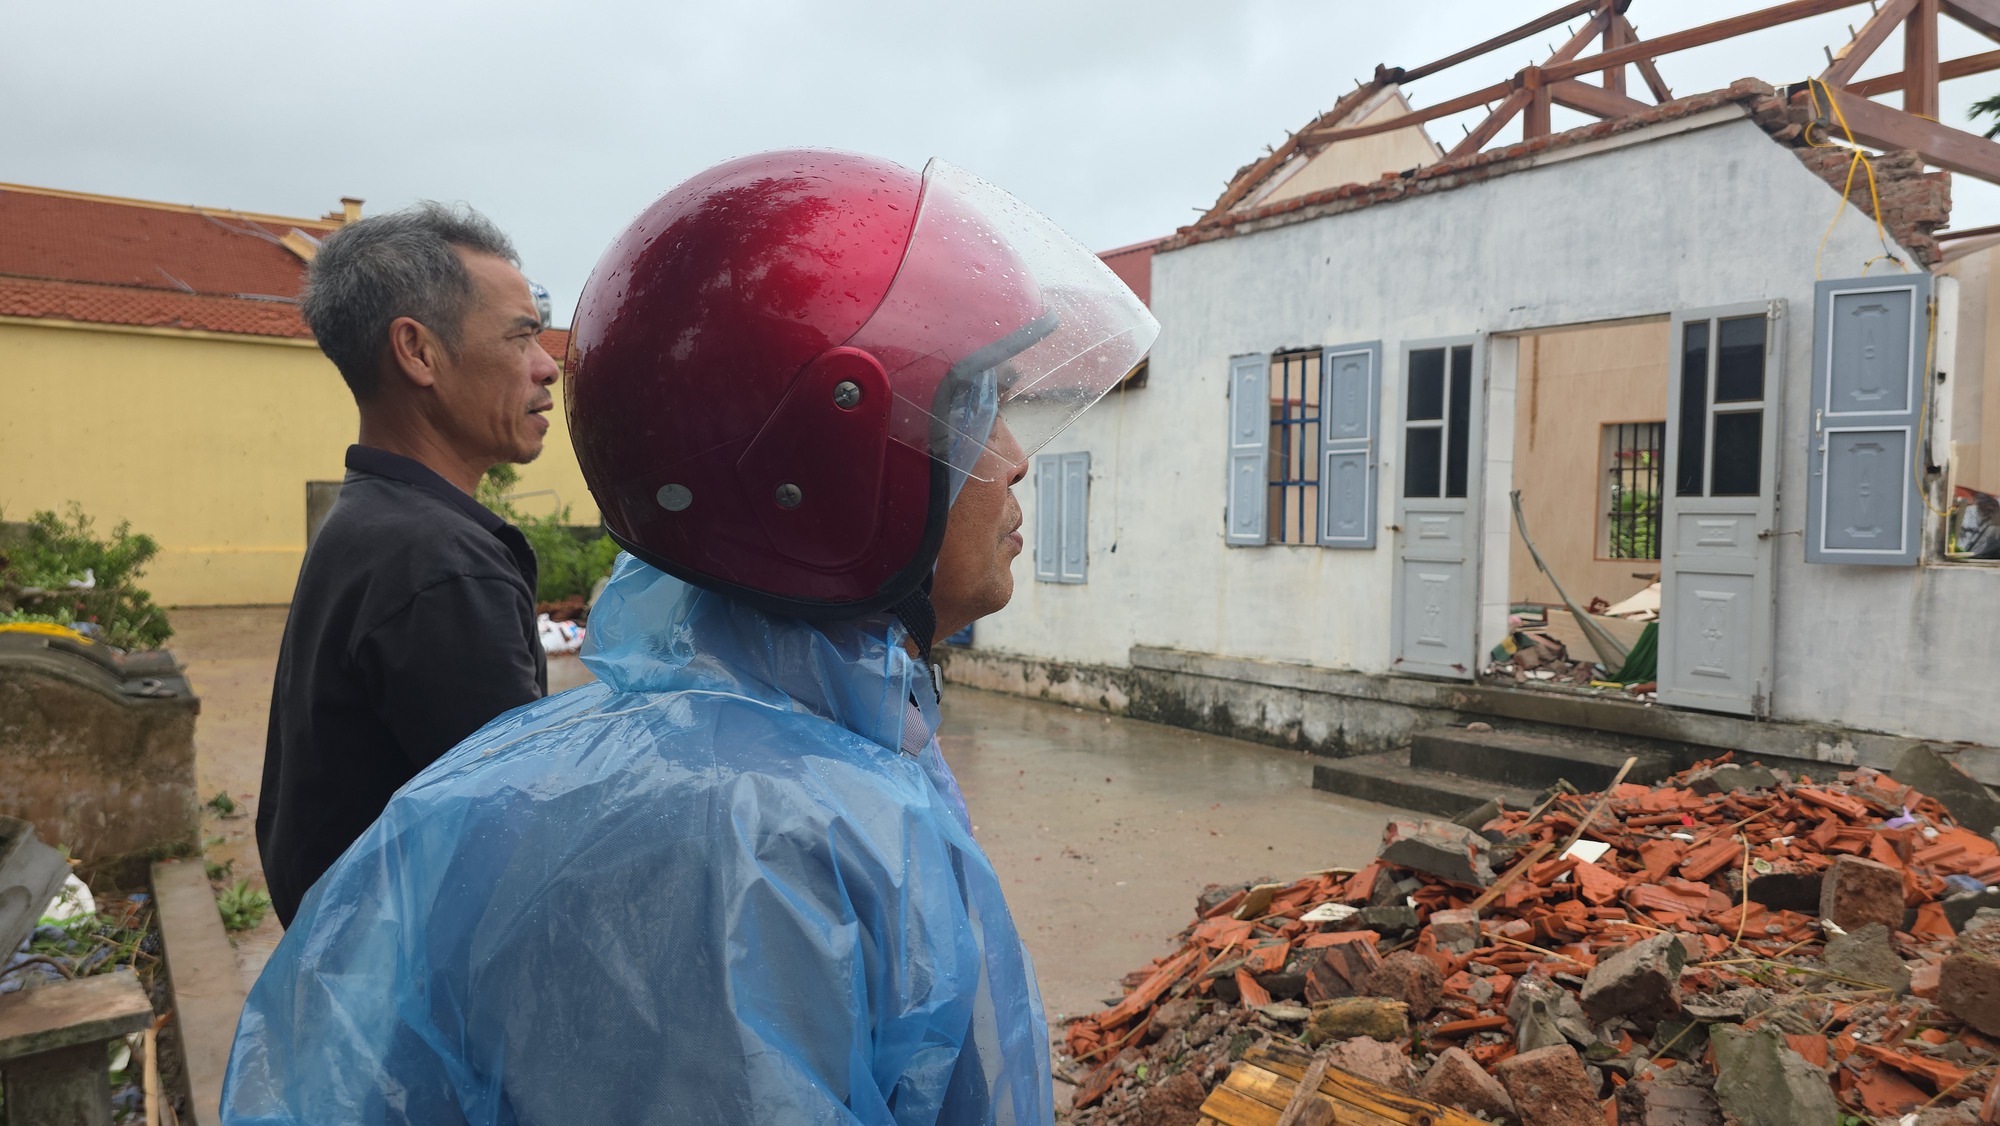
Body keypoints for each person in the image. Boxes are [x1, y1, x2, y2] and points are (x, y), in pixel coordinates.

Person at [222, 150, 1157, 1124]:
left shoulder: (810, 756)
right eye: (972, 413)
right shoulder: (773, 833)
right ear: (823, 466)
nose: (1011, 464)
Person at [257, 203, 559, 926]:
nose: (549, 366)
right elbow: (519, 852)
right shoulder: (440, 564)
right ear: (417, 352)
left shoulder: (376, 520)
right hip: (406, 988)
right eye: (521, 338)